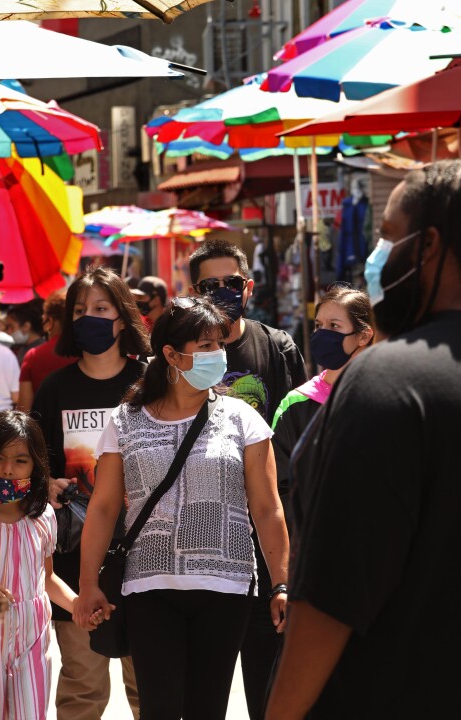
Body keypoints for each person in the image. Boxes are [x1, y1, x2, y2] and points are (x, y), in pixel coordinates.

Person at [266, 159, 461, 718]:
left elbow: (329, 599)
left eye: (389, 237)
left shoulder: (385, 380)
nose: (376, 258)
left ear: (430, 244)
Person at [73, 296, 290, 720]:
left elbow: (268, 510)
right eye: (204, 346)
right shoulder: (124, 421)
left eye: (219, 344)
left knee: (207, 710)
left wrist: (281, 584)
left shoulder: (242, 420)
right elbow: (102, 509)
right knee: (160, 709)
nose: (217, 355)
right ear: (171, 355)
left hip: (226, 588)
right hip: (149, 588)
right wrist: (87, 583)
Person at [189, 238, 306, 718]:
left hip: (266, 533)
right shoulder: (180, 354)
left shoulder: (277, 348)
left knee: (267, 678)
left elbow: (300, 434)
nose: (222, 291)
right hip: (202, 536)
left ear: (249, 286)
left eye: (231, 283)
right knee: (201, 689)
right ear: (193, 291)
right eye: (208, 285)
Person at [31, 267, 150, 720]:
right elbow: (34, 465)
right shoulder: (55, 388)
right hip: (76, 562)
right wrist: (48, 483)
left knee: (149, 690)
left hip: (147, 559)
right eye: (80, 310)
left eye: (101, 309)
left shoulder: (153, 385)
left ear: (124, 317)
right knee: (83, 689)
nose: (89, 318)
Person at [0, 410, 97, 720]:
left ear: (35, 466)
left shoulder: (43, 517)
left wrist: (77, 604)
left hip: (32, 636)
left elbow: (47, 578)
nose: (8, 469)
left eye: (20, 461)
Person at [271, 285, 374, 528]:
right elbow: (279, 485)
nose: (321, 334)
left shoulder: (386, 398)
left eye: (334, 326)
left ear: (364, 336)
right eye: (318, 325)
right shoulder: (296, 404)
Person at [18, 290, 76, 412]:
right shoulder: (90, 352)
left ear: (50, 322)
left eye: (44, 319)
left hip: (44, 428)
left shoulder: (33, 356)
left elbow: (24, 411)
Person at [4, 299, 46, 363]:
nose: (9, 331)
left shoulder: (39, 351)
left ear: (26, 326)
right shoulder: (23, 348)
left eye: (11, 327)